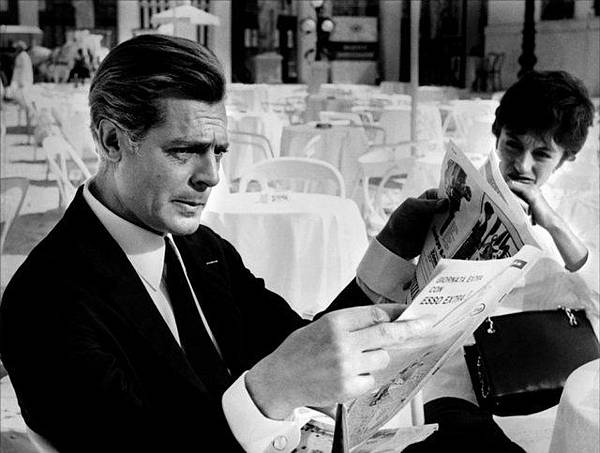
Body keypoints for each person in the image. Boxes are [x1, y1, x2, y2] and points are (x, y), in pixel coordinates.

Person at [0, 35, 448, 453]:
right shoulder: (41, 301)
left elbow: (304, 350)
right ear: (112, 139)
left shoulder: (202, 249)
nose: (211, 176)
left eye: (218, 151)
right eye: (183, 151)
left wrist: (393, 247)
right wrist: (269, 391)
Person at [408, 70, 597, 452]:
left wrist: (552, 223)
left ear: (567, 157)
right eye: (513, 145)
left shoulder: (578, 211)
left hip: (555, 378)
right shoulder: (459, 192)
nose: (522, 166)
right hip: (462, 378)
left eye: (541, 154)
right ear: (497, 136)